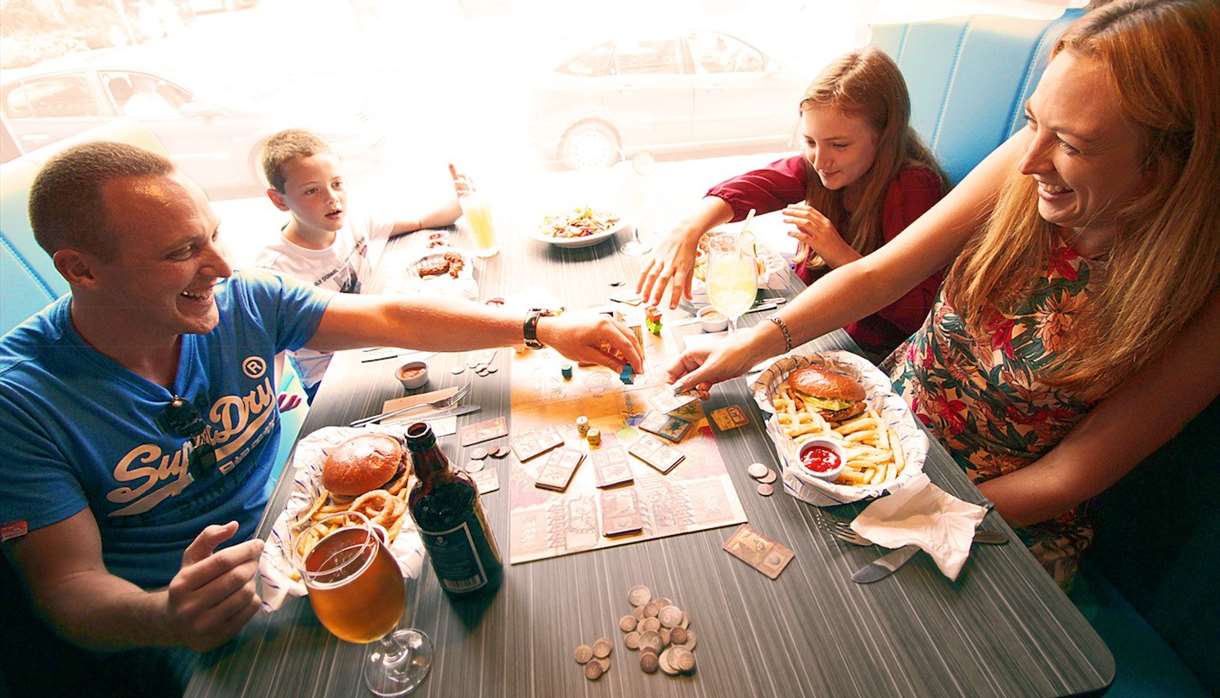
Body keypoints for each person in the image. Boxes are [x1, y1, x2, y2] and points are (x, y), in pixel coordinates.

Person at [0, 142, 642, 685]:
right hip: (202, 625)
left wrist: (540, 326)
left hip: (328, 539)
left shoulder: (243, 296)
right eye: (181, 253)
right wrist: (164, 615)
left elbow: (389, 316)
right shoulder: (21, 401)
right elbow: (67, 589)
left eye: (215, 237)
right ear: (80, 270)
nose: (222, 268)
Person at [666, 0, 1219, 588]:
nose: (1029, 161)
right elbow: (879, 275)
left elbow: (1072, 475)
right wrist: (752, 348)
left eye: (1073, 146)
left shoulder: (1197, 287)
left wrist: (919, 510)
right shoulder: (1026, 155)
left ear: (1168, 162)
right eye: (1033, 122)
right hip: (884, 422)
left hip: (996, 506)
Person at [638, 47, 948, 360]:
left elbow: (920, 313)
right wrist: (689, 229)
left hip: (870, 349)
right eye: (810, 141)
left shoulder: (912, 186)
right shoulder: (821, 167)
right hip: (818, 322)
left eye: (839, 145)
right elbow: (756, 185)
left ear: (884, 137)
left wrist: (836, 250)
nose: (820, 160)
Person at [255, 128, 467, 398]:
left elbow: (422, 221)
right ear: (278, 200)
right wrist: (268, 393)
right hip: (331, 378)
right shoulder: (273, 270)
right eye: (311, 191)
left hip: (379, 345)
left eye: (337, 183)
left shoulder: (354, 222)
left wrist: (461, 201)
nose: (332, 198)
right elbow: (267, 345)